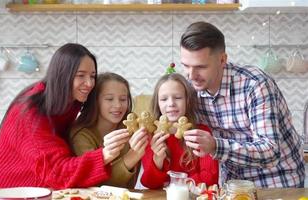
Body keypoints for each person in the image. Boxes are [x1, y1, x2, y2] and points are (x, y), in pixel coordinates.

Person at [0, 43, 130, 189]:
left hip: (39, 190)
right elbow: (57, 172)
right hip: (10, 192)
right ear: (62, 74)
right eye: (81, 75)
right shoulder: (30, 114)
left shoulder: (68, 102)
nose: (89, 83)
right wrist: (105, 154)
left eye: (92, 76)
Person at [180, 21, 305, 187]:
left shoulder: (256, 84)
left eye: (200, 67)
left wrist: (215, 145)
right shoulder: (191, 89)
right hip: (232, 184)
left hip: (277, 181)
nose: (191, 75)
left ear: (222, 59)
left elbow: (270, 152)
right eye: (186, 66)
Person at [70, 72, 149, 188]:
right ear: (95, 101)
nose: (117, 105)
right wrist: (132, 157)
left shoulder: (133, 126)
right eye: (109, 99)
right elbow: (96, 186)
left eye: (123, 99)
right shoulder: (80, 136)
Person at [141, 73, 219, 189]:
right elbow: (150, 184)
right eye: (164, 99)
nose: (171, 103)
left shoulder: (201, 133)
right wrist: (158, 159)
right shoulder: (151, 136)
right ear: (157, 103)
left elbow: (209, 180)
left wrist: (175, 185)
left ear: (187, 101)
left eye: (177, 97)